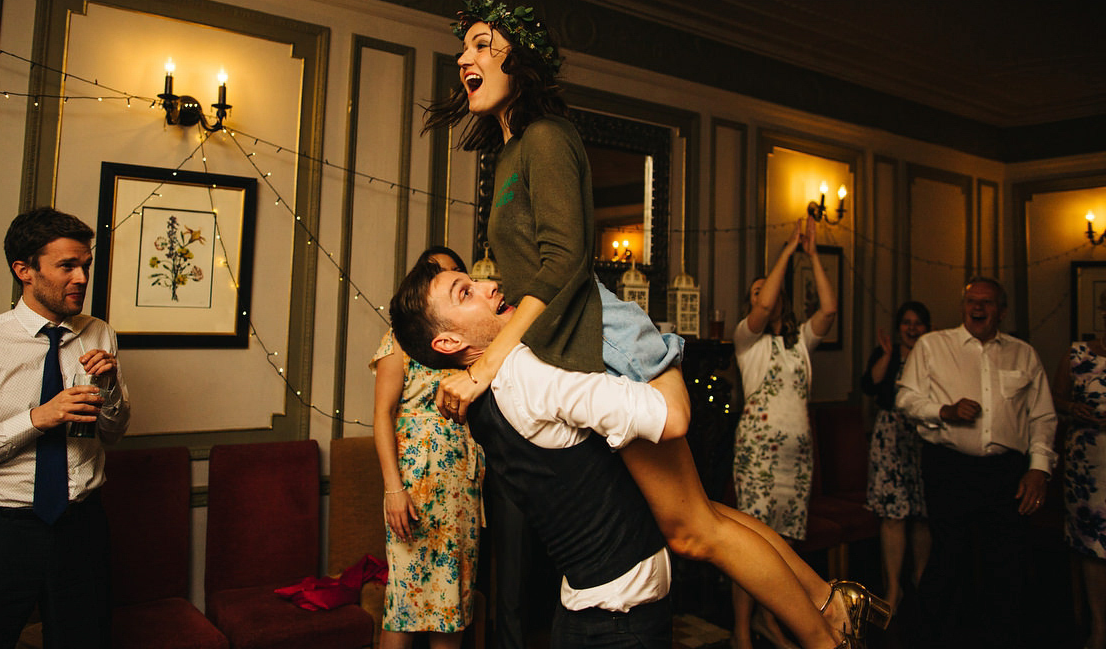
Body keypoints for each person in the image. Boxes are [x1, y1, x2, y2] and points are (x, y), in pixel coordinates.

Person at [421, 0, 886, 648]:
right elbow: (533, 268)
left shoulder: (545, 137)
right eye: (462, 46)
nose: (464, 56)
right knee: (700, 516)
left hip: (601, 338)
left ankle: (826, 637)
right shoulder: (511, 151)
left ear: (519, 60)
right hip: (581, 335)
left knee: (693, 530)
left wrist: (488, 362)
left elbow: (569, 261)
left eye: (481, 44)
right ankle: (824, 596)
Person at [391, 260, 879, 649]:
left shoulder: (479, 395)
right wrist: (652, 355)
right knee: (703, 526)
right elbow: (672, 417)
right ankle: (829, 630)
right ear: (449, 342)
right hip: (619, 621)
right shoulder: (523, 372)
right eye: (465, 292)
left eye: (473, 279)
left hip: (588, 610)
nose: (488, 286)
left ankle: (828, 603)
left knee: (707, 519)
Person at [0, 206, 130, 649]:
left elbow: (114, 432)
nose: (81, 278)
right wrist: (37, 419)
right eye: (67, 266)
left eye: (85, 266)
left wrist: (111, 387)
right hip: (0, 533)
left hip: (83, 526)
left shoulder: (100, 333)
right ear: (24, 270)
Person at [896, 276, 1056, 649]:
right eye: (972, 302)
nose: (978, 308)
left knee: (1007, 564)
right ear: (963, 306)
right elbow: (905, 398)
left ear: (1001, 310)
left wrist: (1039, 469)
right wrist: (944, 410)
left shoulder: (1023, 354)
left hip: (1006, 473)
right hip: (949, 467)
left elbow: (1043, 418)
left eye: (987, 303)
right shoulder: (933, 346)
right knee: (949, 561)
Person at [730, 218, 838, 649]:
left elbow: (828, 310)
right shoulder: (747, 338)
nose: (765, 295)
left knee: (785, 547)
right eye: (757, 292)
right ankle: (742, 629)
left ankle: (770, 622)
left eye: (769, 289)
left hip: (798, 457)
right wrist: (787, 251)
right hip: (758, 453)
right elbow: (762, 306)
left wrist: (812, 255)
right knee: (751, 545)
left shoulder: (800, 344)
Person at [371, 246, 484, 649]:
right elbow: (381, 415)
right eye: (437, 272)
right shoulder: (400, 338)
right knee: (404, 600)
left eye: (457, 273)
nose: (449, 278)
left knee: (451, 605)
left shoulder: (470, 336)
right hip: (415, 482)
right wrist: (393, 489)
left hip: (462, 486)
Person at [859, 301, 932, 614]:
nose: (912, 328)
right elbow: (869, 385)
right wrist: (888, 355)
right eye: (906, 322)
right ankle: (892, 586)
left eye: (918, 323)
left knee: (921, 513)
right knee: (893, 514)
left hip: (923, 438)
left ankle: (921, 580)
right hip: (889, 436)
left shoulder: (934, 356)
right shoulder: (887, 353)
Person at [1051, 292, 1106, 649]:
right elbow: (1053, 398)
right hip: (1087, 463)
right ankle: (1099, 627)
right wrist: (1074, 406)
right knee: (1091, 543)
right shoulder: (1078, 354)